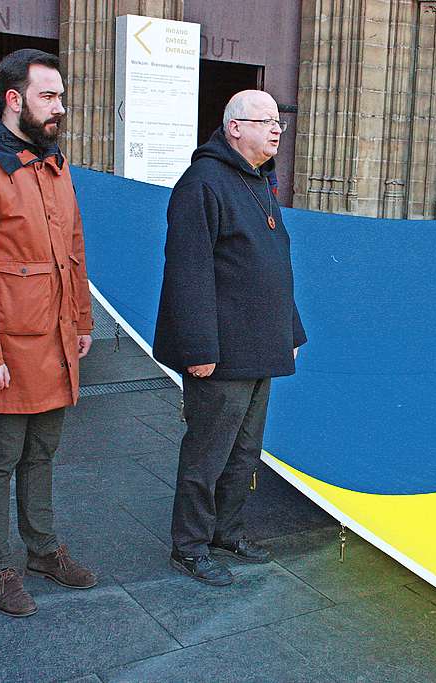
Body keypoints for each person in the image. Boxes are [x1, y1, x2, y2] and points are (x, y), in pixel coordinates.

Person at [0, 49, 96, 617]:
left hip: (54, 340)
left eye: (60, 96)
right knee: (0, 456)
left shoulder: (53, 162)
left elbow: (72, 251)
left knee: (43, 452)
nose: (60, 108)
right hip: (7, 347)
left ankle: (43, 549)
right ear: (13, 99)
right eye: (48, 97)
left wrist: (81, 320)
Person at [154, 90, 307, 586]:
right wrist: (197, 349)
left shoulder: (258, 181)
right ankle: (190, 545)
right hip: (219, 353)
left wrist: (291, 329)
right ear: (234, 127)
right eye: (265, 121)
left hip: (260, 344)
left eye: (278, 121)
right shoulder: (201, 184)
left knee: (244, 451)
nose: (277, 129)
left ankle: (227, 530)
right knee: (208, 451)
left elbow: (273, 265)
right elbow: (188, 273)